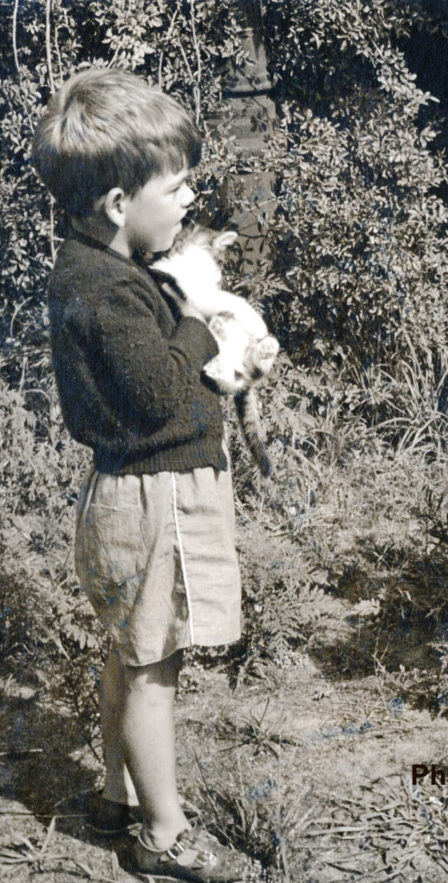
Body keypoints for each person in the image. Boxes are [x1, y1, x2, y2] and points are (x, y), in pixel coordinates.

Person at [33, 67, 249, 881]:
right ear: (120, 203)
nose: (191, 197)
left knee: (131, 653)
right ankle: (163, 831)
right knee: (154, 663)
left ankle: (120, 797)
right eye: (178, 186)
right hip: (152, 499)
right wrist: (198, 324)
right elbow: (160, 391)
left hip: (138, 493)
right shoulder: (102, 290)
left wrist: (182, 274)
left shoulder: (102, 271)